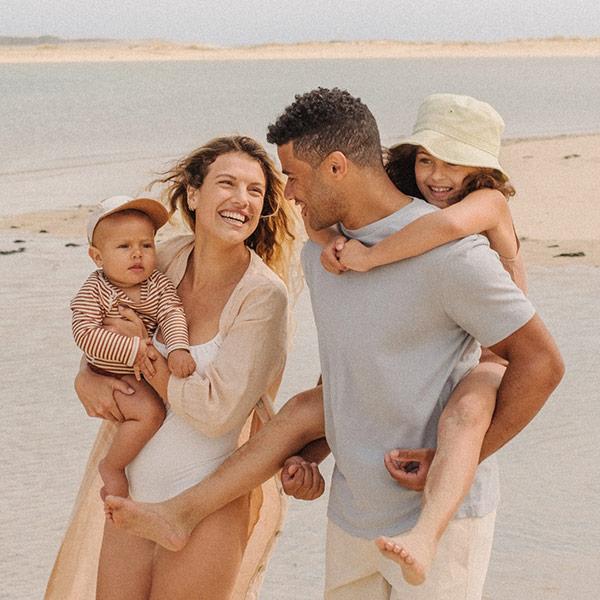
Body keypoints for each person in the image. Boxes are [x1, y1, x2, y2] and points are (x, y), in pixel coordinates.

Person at [103, 89, 563, 599]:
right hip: (351, 513)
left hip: (441, 521)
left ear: (337, 168)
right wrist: (314, 452)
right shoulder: (322, 259)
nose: (287, 193)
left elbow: (540, 363)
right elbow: (350, 370)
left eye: (294, 176)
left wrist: (468, 454)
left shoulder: (451, 255)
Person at [45, 135, 300, 600]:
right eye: (227, 183)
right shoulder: (163, 257)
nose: (241, 199)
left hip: (207, 499)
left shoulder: (263, 297)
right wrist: (87, 371)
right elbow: (102, 319)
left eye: (255, 190)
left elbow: (216, 412)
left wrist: (147, 355)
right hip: (133, 490)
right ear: (195, 194)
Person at [72, 195, 196, 500]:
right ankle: (112, 467)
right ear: (97, 257)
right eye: (124, 247)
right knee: (149, 413)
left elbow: (172, 313)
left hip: (143, 371)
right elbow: (84, 333)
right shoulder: (95, 289)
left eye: (146, 245)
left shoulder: (157, 284)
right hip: (111, 372)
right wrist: (133, 348)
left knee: (160, 412)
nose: (137, 254)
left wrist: (179, 348)